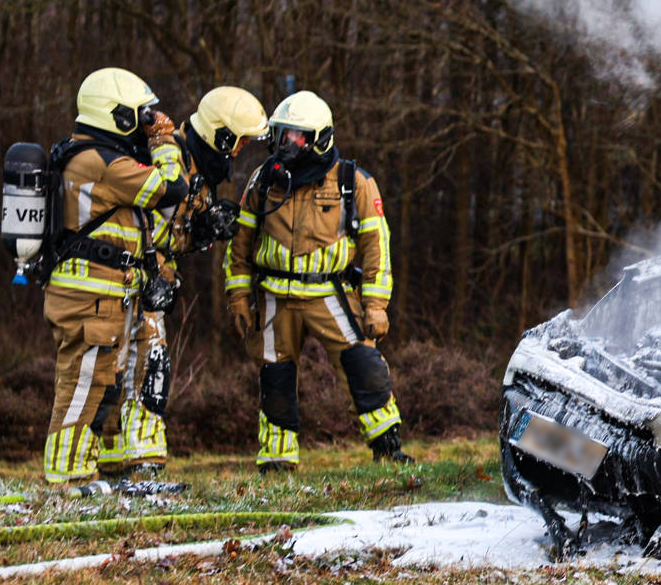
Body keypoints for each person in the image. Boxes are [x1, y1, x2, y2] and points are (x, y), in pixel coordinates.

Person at [224, 91, 411, 471]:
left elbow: (377, 245)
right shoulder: (264, 180)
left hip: (329, 291)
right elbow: (240, 244)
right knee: (275, 375)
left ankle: (387, 446)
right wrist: (239, 296)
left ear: (320, 139)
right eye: (281, 135)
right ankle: (277, 460)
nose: (285, 145)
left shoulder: (352, 181)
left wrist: (375, 306)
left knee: (362, 363)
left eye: (296, 137)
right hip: (275, 294)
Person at [98, 87, 269, 479]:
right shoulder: (168, 156)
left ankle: (135, 465)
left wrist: (206, 228)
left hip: (148, 282)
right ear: (220, 136)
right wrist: (151, 273)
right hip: (127, 278)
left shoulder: (199, 170)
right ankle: (122, 466)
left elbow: (173, 232)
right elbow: (140, 222)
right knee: (125, 368)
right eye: (238, 141)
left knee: (143, 367)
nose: (240, 150)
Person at [42, 68, 187, 488]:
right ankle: (67, 477)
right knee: (82, 381)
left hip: (98, 291)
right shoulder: (105, 163)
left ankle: (79, 470)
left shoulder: (87, 155)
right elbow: (171, 189)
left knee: (97, 382)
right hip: (92, 293)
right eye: (140, 116)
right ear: (117, 116)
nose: (146, 123)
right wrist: (165, 144)